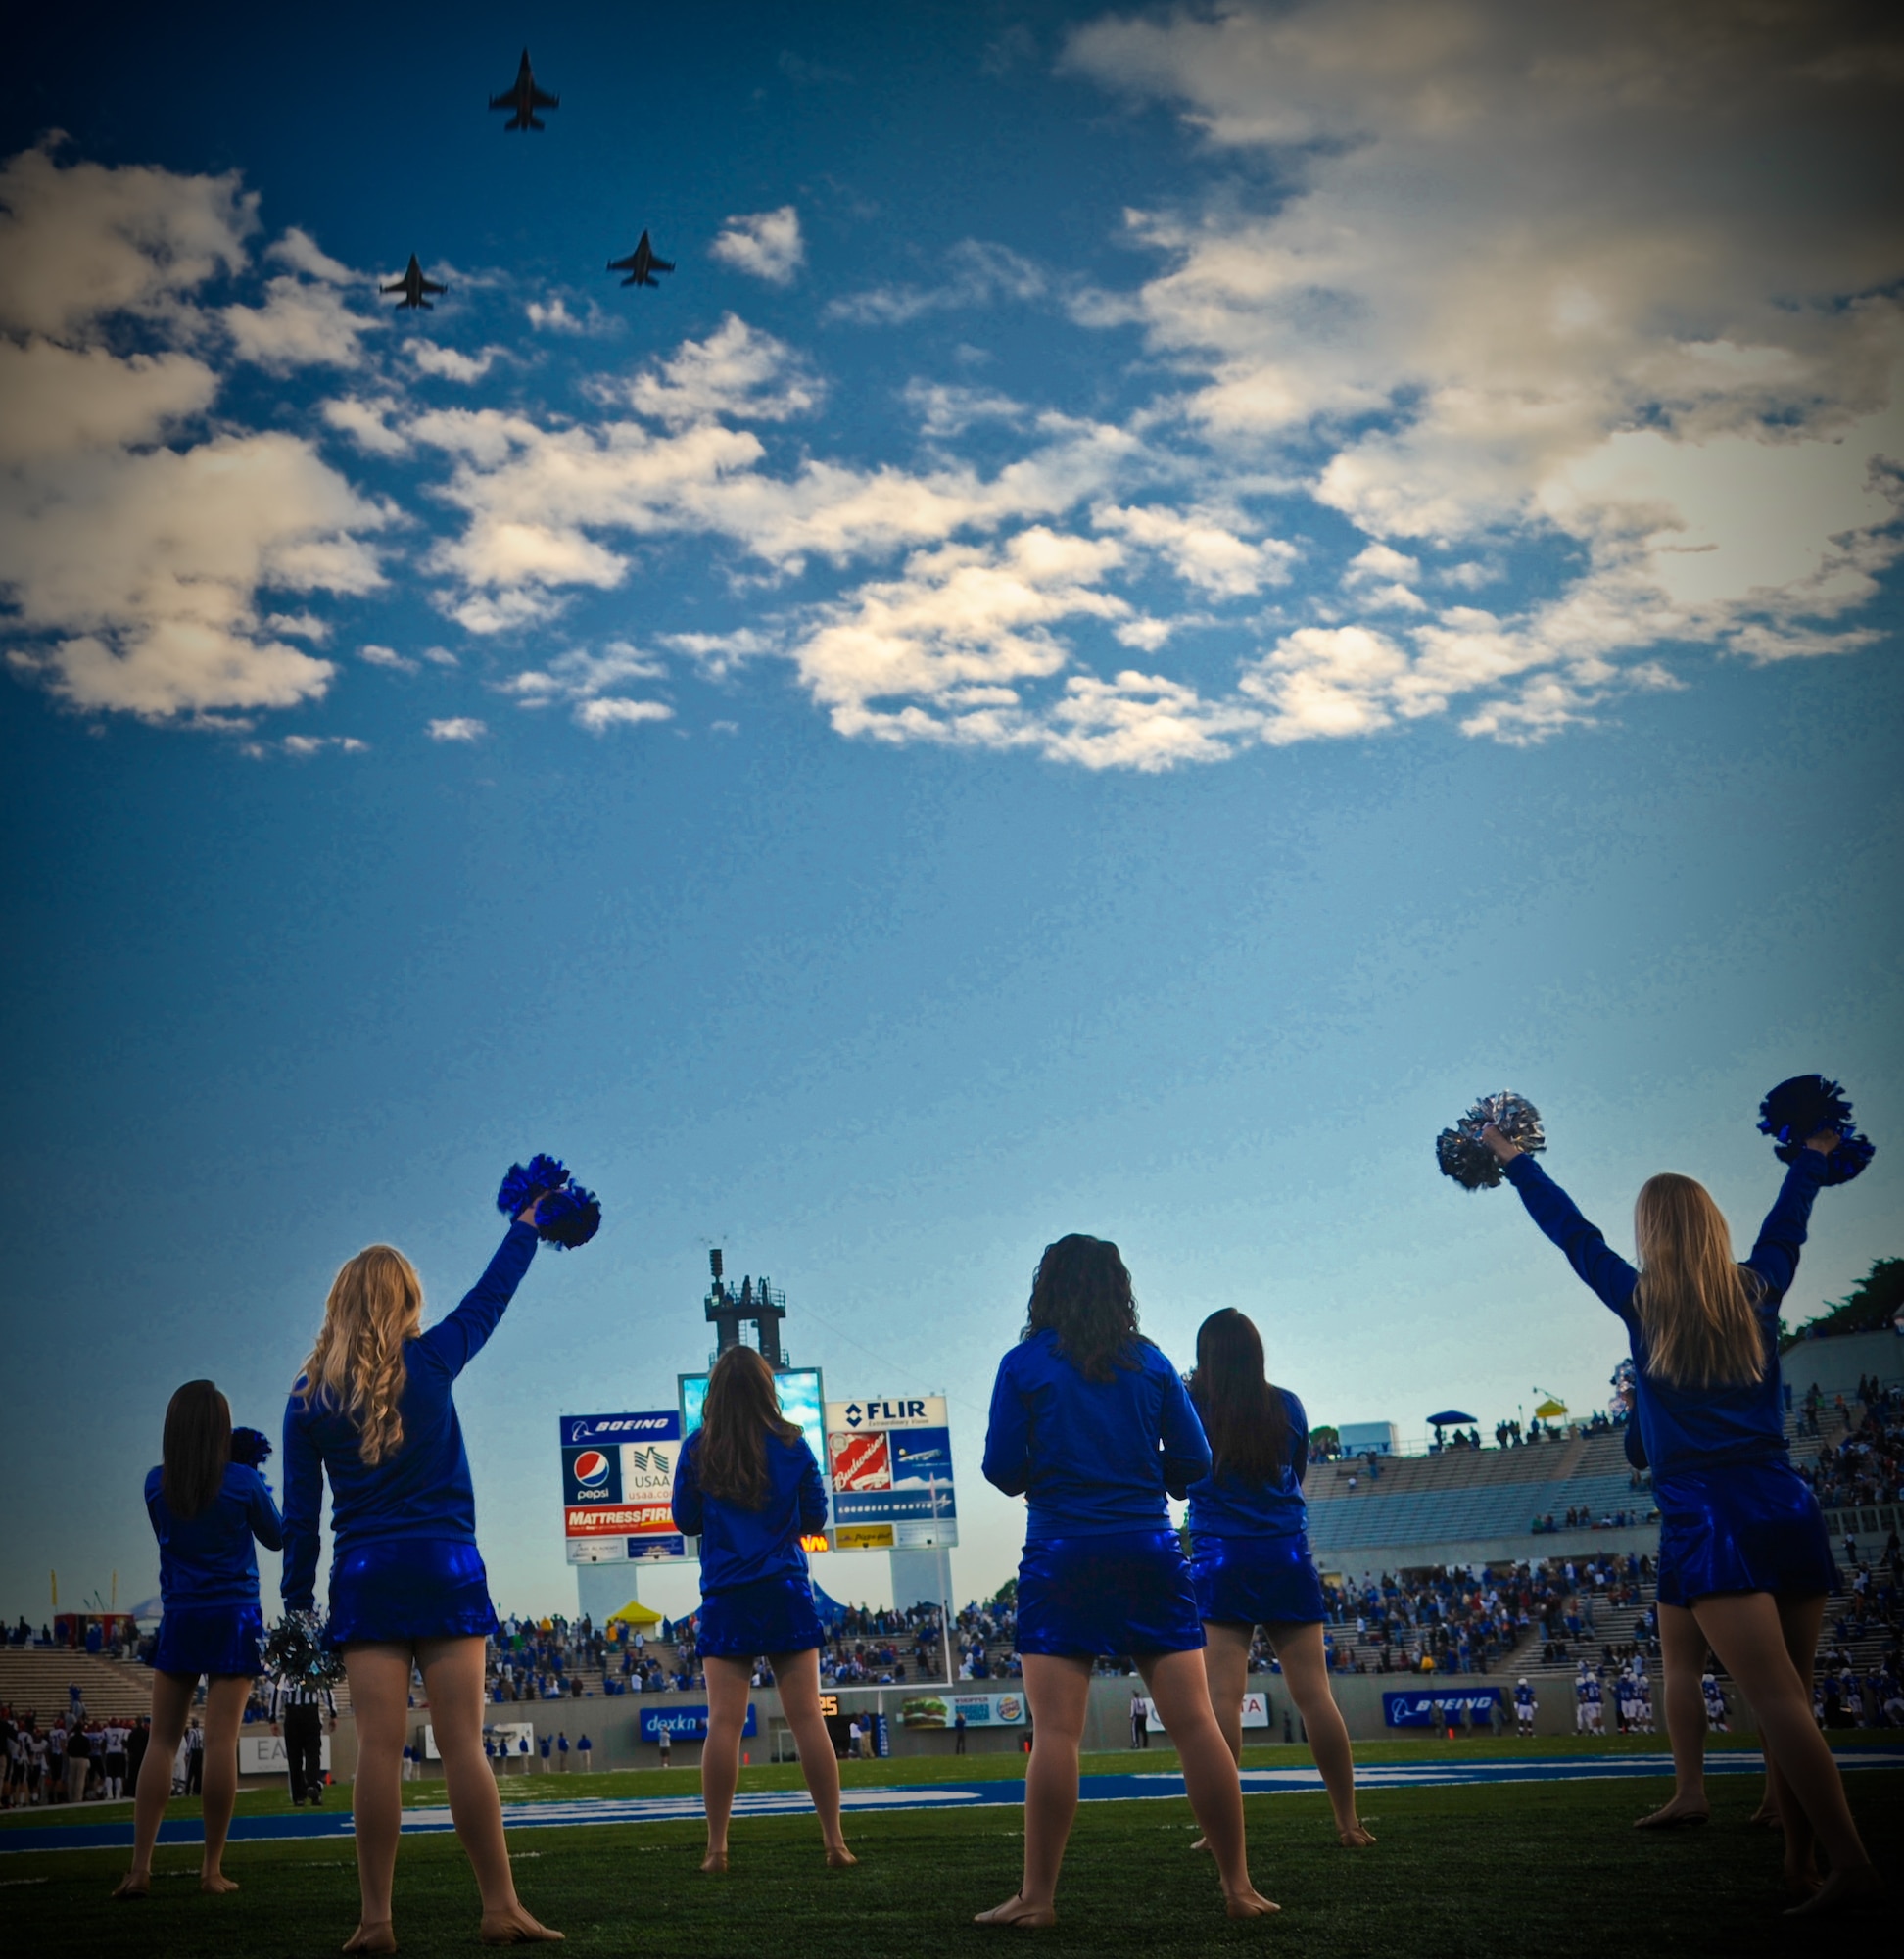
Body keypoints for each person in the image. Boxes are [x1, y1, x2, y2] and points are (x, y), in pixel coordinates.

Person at [1483, 1119, 1880, 1913]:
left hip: (1710, 1514)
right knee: (1792, 1703)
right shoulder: (1761, 1284)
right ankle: (1799, 1865)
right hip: (1787, 1502)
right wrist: (1814, 1154)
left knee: (1774, 1703)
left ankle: (1852, 1866)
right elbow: (1788, 1216)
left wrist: (1515, 1161)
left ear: (1653, 1236)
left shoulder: (1640, 1300)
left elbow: (1572, 1232)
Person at [283, 1186, 564, 1950]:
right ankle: (500, 1906)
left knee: (377, 1749)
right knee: (463, 1743)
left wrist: (296, 1606)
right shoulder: (436, 1356)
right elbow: (492, 1295)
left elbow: (300, 1523)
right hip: (445, 1566)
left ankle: (376, 1921)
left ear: (338, 1304)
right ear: (406, 1300)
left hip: (367, 1575)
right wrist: (526, 1228)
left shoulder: (308, 1398)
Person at [978, 1235, 1275, 1926]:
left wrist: (1044, 1476)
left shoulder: (1023, 1364)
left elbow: (1000, 1468)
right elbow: (1196, 1460)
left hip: (1061, 1555)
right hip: (1147, 1548)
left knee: (1056, 1734)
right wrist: (1151, 1481)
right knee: (1197, 1723)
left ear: (1045, 1287)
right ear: (1120, 1289)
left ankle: (1038, 1899)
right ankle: (1237, 1887)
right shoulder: (1151, 1361)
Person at [1184, 1308, 1373, 1848]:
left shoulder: (1194, 1407)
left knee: (1222, 1699)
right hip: (1285, 1554)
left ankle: (1216, 1832)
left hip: (1222, 1558)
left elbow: (1176, 1475)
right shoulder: (1286, 1404)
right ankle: (1347, 1820)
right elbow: (1298, 1469)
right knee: (1316, 1696)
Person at [672, 1344, 852, 1872]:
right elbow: (815, 1519)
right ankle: (835, 1843)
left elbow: (685, 1520)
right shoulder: (794, 1444)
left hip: (727, 1594)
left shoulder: (697, 1448)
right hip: (785, 1591)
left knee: (723, 1724)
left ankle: (717, 1849)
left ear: (716, 1394)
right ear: (767, 1390)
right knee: (807, 1722)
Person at [115, 1380, 282, 1901]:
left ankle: (140, 1868)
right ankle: (210, 1869)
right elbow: (278, 1536)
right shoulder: (242, 1483)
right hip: (234, 1617)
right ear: (222, 1430)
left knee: (161, 1742)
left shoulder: (153, 1484)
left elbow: (168, 1534)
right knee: (220, 1742)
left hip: (182, 1616)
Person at [269, 1666, 338, 1806]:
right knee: (309, 1754)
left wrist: (273, 1718)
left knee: (299, 1756)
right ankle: (312, 1787)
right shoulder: (312, 1669)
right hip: (306, 1712)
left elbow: (277, 1693)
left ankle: (301, 1794)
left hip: (298, 1713)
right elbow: (325, 1689)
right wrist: (332, 1713)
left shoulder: (288, 1669)